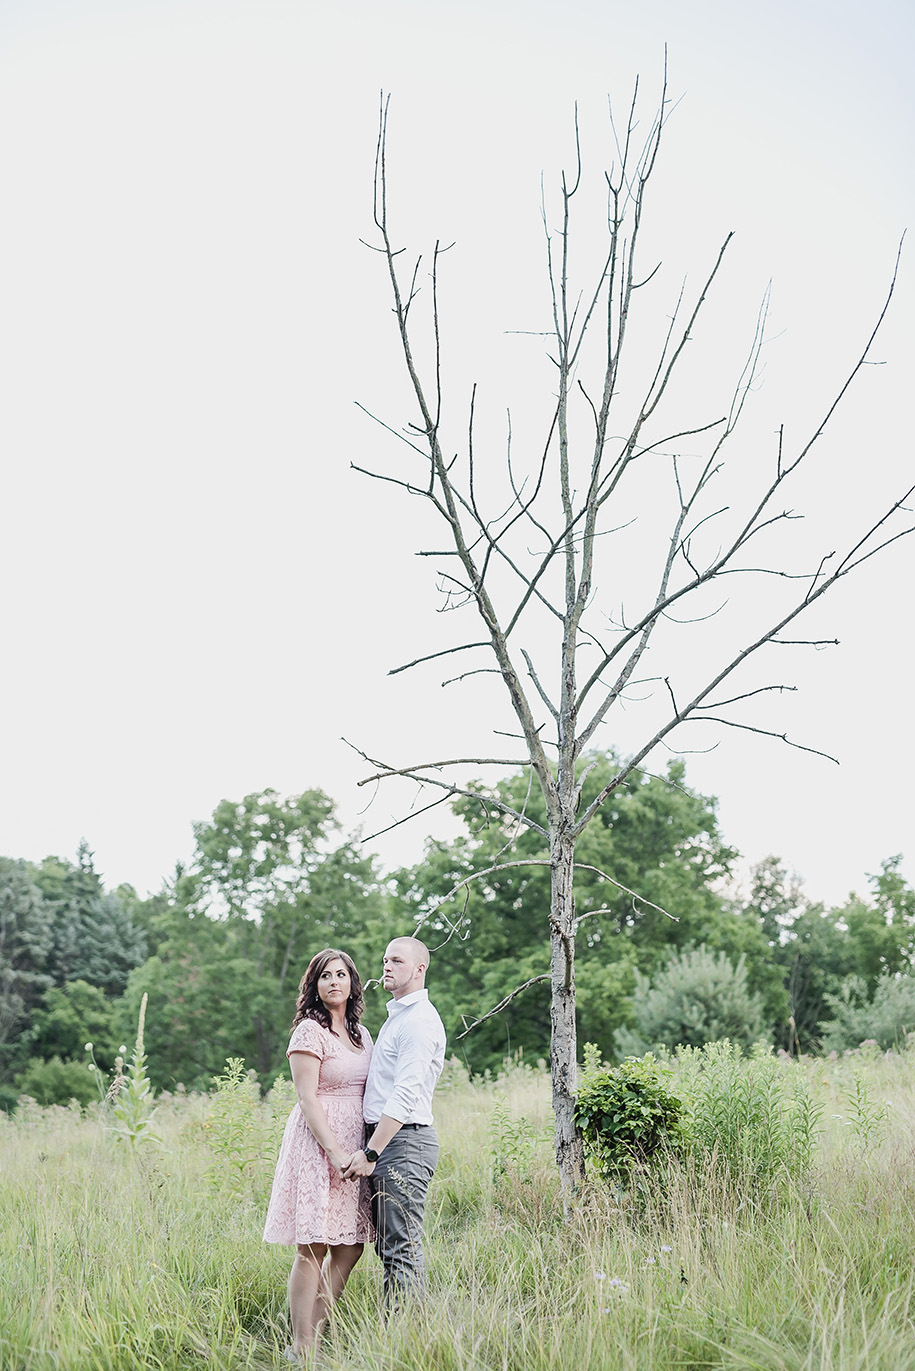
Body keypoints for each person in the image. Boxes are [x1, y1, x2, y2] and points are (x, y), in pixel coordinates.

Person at [263, 948, 373, 1358]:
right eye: (325, 976)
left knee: (351, 1246)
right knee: (313, 1245)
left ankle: (314, 1330)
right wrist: (335, 1151)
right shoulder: (309, 1031)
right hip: (318, 1143)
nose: (333, 982)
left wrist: (362, 1151)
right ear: (314, 986)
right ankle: (302, 1345)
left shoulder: (362, 1033)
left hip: (355, 1146)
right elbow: (307, 1098)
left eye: (341, 975)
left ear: (352, 982)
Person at [343, 936, 446, 1305]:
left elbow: (404, 1095)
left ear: (420, 969)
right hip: (389, 1141)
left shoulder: (419, 1021)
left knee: (400, 1247)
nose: (387, 966)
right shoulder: (399, 1016)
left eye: (397, 961)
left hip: (403, 1143)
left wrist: (371, 1152)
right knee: (390, 1246)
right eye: (385, 960)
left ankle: (404, 1340)